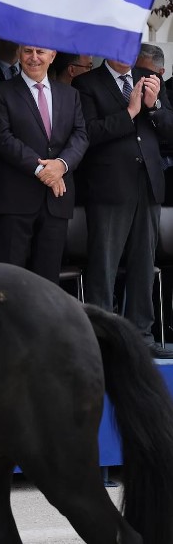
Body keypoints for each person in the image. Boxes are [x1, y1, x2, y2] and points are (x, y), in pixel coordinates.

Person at [73, 56, 173, 358]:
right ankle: (100, 338)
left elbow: (169, 132)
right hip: (109, 187)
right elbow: (87, 134)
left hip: (148, 184)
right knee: (104, 266)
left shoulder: (150, 77)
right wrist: (130, 112)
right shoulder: (87, 83)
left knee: (144, 264)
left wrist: (154, 106)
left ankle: (141, 335)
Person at [0, 46, 88, 283]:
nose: (34, 57)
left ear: (52, 56)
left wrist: (61, 165)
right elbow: (1, 138)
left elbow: (81, 135)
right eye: (28, 51)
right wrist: (42, 169)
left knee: (47, 283)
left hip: (56, 201)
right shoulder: (1, 92)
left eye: (40, 52)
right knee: (9, 283)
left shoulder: (69, 95)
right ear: (19, 53)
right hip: (14, 200)